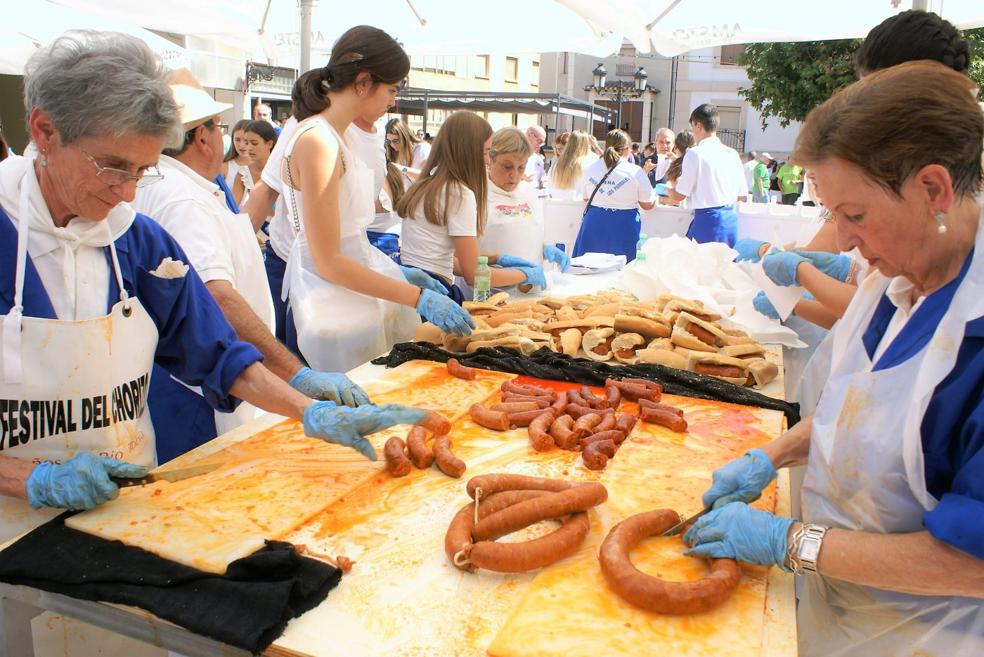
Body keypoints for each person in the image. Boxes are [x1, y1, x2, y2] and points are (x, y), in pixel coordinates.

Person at [0, 31, 428, 540]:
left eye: (143, 170)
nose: (128, 192)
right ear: (44, 132)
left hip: (122, 509)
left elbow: (218, 355)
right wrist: (30, 478)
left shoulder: (139, 243)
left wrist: (307, 407)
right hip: (12, 526)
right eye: (113, 166)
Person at [685, 61, 984, 657]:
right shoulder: (893, 273)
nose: (843, 240)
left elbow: (972, 561)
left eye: (855, 215)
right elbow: (858, 418)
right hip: (829, 611)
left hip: (921, 637)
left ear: (932, 190)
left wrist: (791, 542)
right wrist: (770, 455)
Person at [282, 26, 473, 372]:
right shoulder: (319, 141)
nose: (393, 101)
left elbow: (347, 240)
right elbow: (328, 260)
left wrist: (399, 274)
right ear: (363, 81)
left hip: (354, 299)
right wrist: (416, 296)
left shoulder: (340, 136)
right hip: (332, 306)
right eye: (391, 89)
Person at [397, 114, 547, 300]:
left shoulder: (428, 183)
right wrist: (525, 274)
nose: (487, 160)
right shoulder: (459, 194)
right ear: (467, 151)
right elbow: (474, 276)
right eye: (485, 152)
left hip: (415, 291)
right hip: (435, 293)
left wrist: (495, 258)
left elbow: (441, 255)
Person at [481, 126, 571, 273]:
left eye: (521, 167)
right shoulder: (476, 194)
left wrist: (545, 247)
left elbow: (532, 232)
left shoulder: (528, 192)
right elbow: (462, 258)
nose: (514, 175)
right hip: (489, 289)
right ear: (491, 159)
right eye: (507, 166)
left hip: (530, 288)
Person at [665, 103, 747, 246]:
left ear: (698, 125)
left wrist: (666, 190)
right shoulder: (732, 154)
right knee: (726, 266)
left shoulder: (695, 154)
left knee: (699, 264)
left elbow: (679, 195)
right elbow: (741, 195)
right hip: (731, 220)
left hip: (709, 220)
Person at [572, 129, 655, 261]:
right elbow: (648, 204)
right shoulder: (635, 171)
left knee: (588, 267)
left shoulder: (591, 168)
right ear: (627, 149)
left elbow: (586, 197)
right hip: (623, 223)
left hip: (595, 221)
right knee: (623, 271)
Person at [232, 119, 277, 208]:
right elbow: (233, 208)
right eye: (247, 143)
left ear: (269, 144)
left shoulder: (282, 170)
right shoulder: (243, 173)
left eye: (254, 143)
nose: (249, 148)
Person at [546, 130, 596, 200]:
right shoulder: (590, 162)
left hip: (556, 205)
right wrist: (596, 147)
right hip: (578, 206)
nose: (558, 151)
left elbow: (549, 185)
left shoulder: (556, 164)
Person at [222, 119, 251, 191]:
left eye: (246, 140)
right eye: (237, 140)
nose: (241, 145)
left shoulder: (265, 166)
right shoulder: (224, 166)